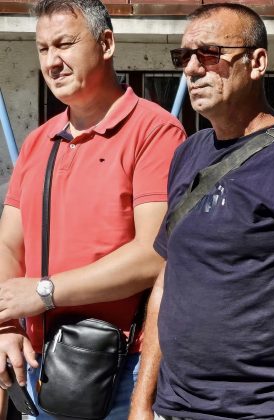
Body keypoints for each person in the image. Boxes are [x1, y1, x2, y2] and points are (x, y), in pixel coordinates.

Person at [128, 3, 274, 419]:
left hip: (262, 408)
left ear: (257, 62)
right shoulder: (188, 153)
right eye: (183, 56)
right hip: (175, 407)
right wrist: (141, 403)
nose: (192, 68)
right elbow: (167, 281)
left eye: (209, 54)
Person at [0, 0, 185, 417]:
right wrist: (6, 325)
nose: (52, 62)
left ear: (106, 43)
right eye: (43, 48)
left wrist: (44, 292)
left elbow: (153, 254)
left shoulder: (155, 131)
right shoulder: (38, 141)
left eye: (64, 44)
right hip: (41, 365)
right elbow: (9, 244)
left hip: (124, 368)